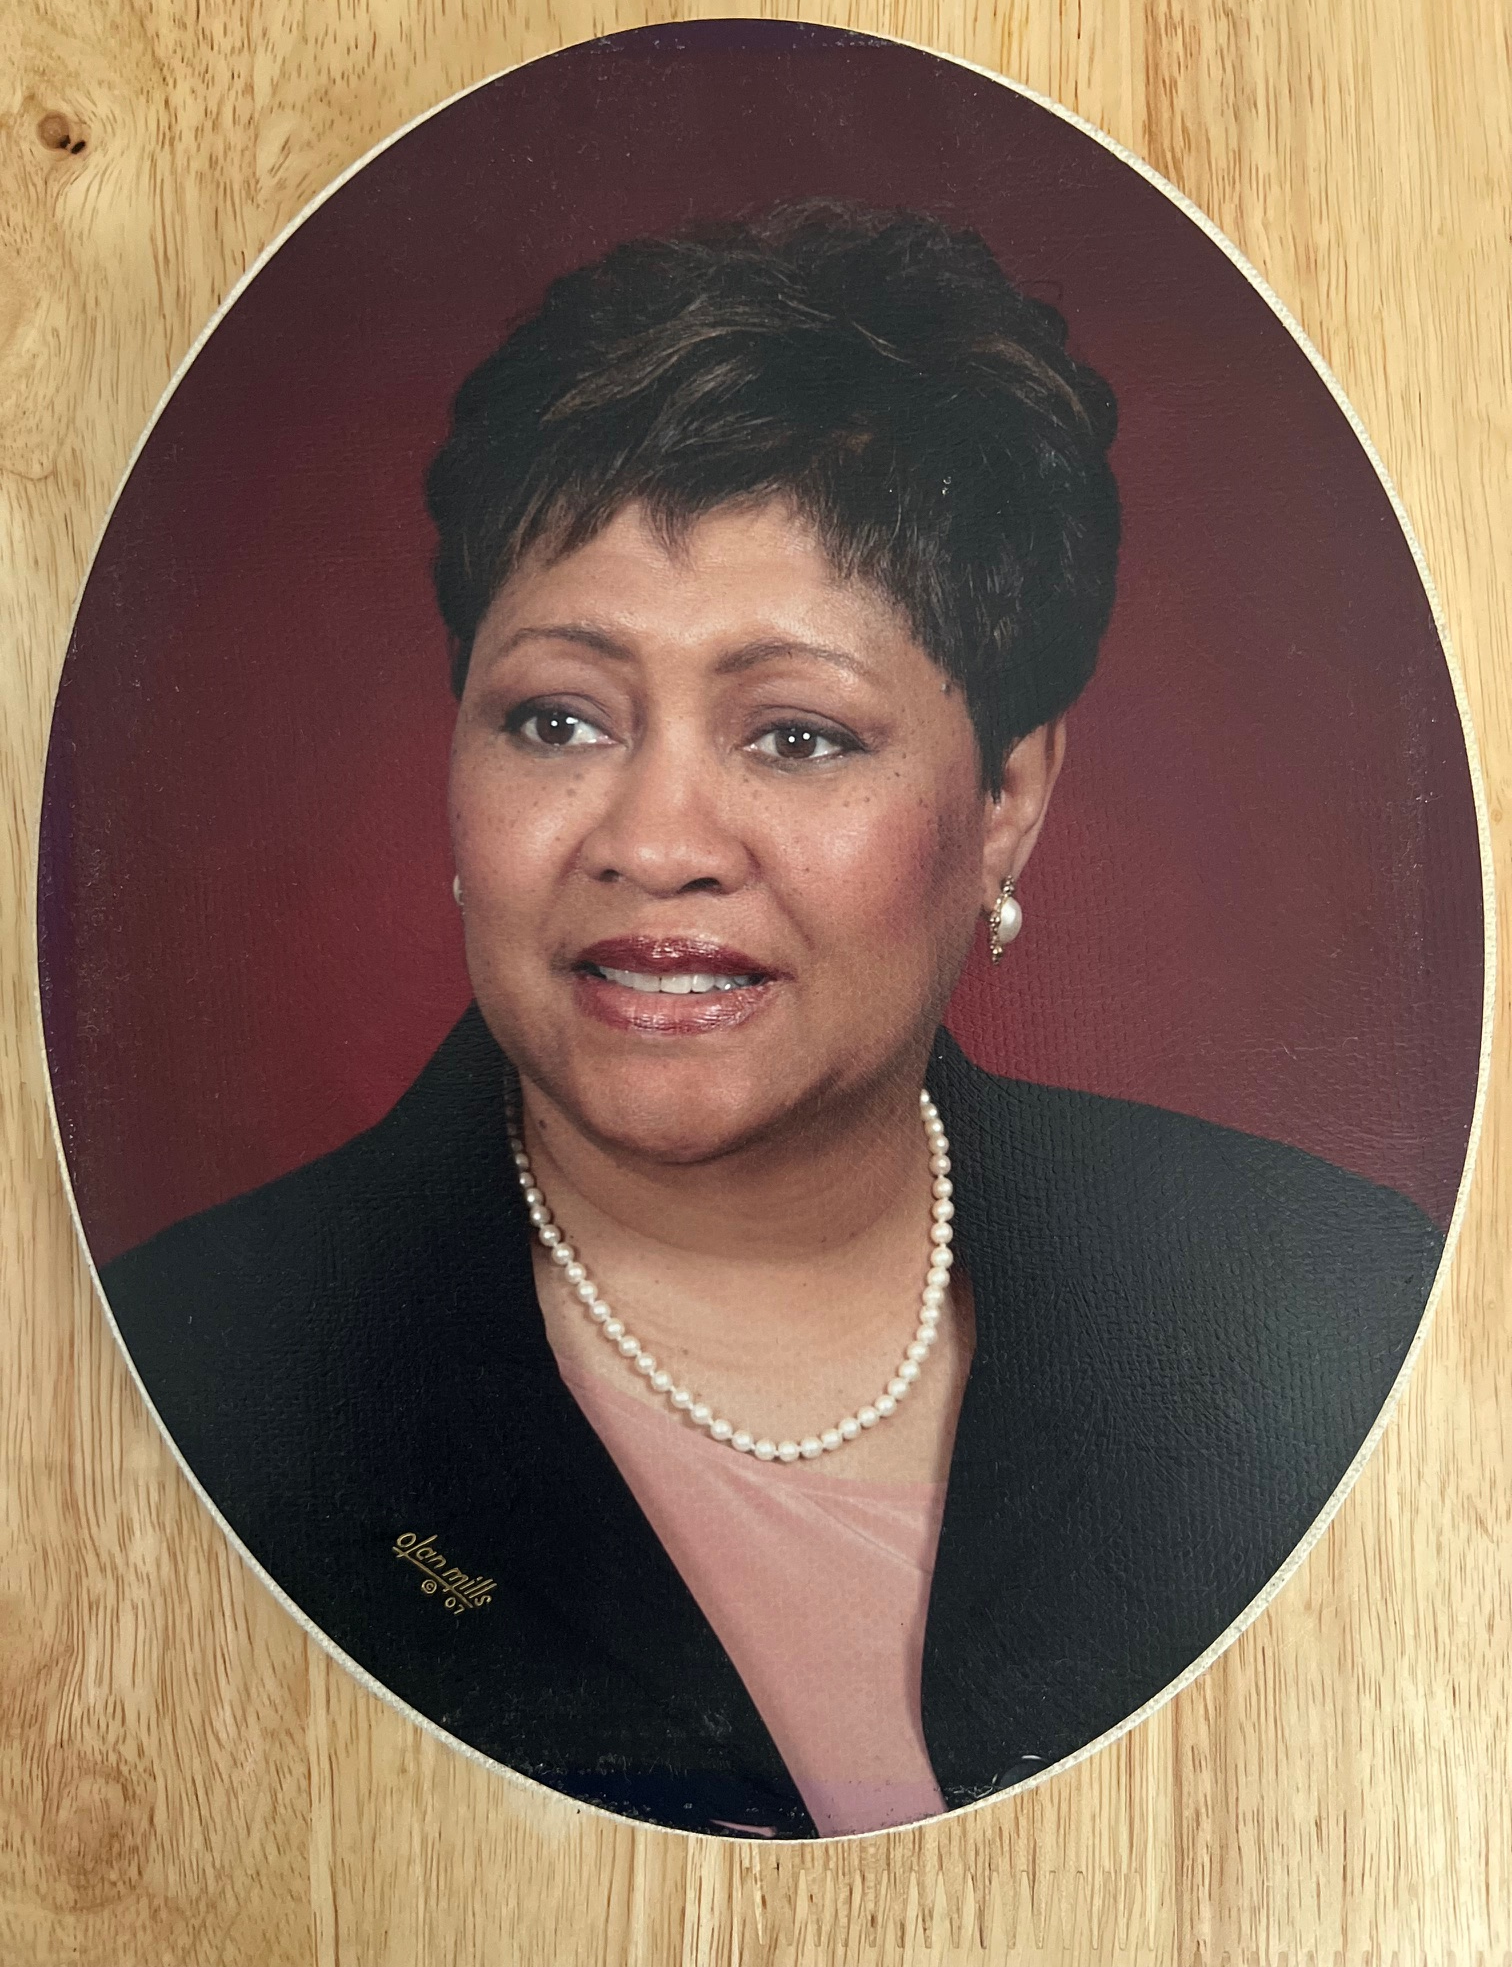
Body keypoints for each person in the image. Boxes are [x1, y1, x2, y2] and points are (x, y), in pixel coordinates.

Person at [101, 202, 1442, 1840]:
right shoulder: (166, 1386)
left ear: (1007, 800)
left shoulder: (1336, 1312)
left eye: (796, 736)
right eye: (557, 719)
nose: (654, 840)